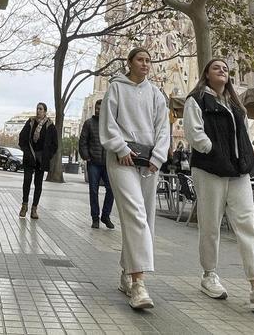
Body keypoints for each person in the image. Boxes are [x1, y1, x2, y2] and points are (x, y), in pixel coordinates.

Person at [183, 59, 254, 311]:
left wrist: (245, 158)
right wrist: (212, 151)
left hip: (238, 171)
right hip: (209, 169)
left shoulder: (235, 103)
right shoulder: (196, 100)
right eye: (216, 67)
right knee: (210, 224)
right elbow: (194, 133)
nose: (222, 70)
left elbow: (242, 136)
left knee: (246, 224)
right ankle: (209, 275)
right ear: (206, 74)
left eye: (226, 68)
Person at [99, 47, 170, 310]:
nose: (145, 63)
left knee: (143, 218)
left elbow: (164, 128)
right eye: (140, 59)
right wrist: (120, 148)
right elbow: (108, 123)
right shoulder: (115, 89)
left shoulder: (156, 94)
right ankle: (139, 284)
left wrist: (158, 157)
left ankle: (126, 274)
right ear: (129, 63)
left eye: (149, 60)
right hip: (121, 160)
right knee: (136, 214)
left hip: (149, 163)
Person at [78, 100, 115, 229]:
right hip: (93, 162)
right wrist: (86, 156)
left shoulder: (110, 124)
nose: (98, 111)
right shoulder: (89, 123)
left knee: (112, 189)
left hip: (107, 163)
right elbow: (82, 141)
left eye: (101, 109)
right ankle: (95, 218)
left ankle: (106, 215)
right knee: (93, 190)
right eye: (97, 109)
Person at [18, 102, 58, 219]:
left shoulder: (50, 126)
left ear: (45, 111)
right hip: (30, 157)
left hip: (42, 159)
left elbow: (54, 145)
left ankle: (34, 208)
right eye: (37, 109)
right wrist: (27, 151)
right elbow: (22, 138)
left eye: (41, 109)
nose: (38, 111)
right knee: (27, 181)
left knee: (38, 184)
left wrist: (47, 156)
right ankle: (24, 205)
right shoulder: (30, 122)